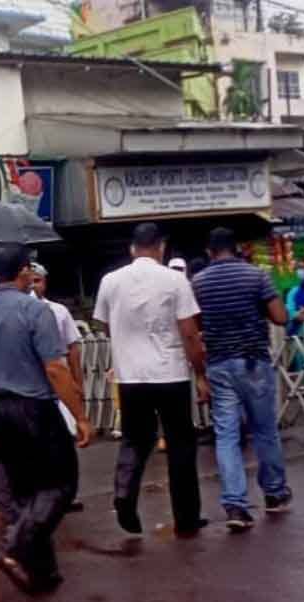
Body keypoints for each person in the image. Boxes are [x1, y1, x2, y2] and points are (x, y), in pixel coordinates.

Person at [0, 242, 91, 595]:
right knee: (61, 484)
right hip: (32, 407)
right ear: (24, 272)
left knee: (25, 490)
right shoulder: (35, 312)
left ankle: (42, 571)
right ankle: (12, 546)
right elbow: (55, 367)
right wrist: (80, 415)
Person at [93, 223, 208, 537]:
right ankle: (186, 518)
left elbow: (102, 324)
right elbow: (189, 332)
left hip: (130, 376)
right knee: (181, 444)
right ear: (161, 247)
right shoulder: (175, 280)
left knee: (134, 439)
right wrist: (200, 373)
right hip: (169, 373)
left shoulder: (110, 281)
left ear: (132, 248)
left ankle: (124, 494)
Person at [192, 227, 292, 532]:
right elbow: (280, 317)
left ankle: (235, 504)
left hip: (219, 364)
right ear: (236, 248)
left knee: (226, 435)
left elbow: (195, 325)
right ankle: (274, 493)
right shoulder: (256, 276)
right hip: (253, 362)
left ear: (209, 252)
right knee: (264, 430)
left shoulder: (197, 282)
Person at [29, 263, 84, 389]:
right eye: (29, 281)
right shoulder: (15, 312)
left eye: (37, 281)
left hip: (59, 374)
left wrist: (78, 384)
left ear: (45, 282)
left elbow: (73, 349)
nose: (32, 286)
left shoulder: (59, 310)